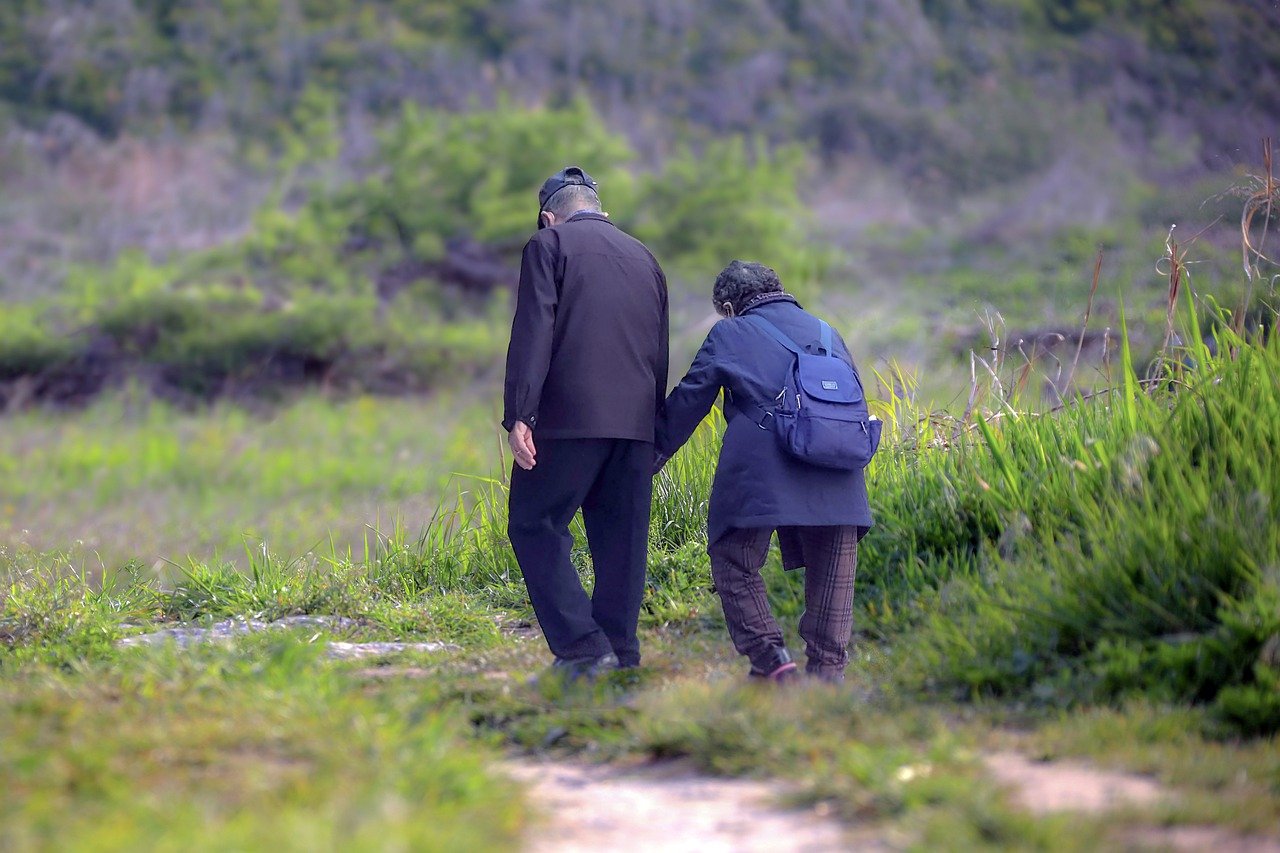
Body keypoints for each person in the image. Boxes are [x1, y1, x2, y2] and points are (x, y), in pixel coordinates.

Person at [655, 260, 872, 683]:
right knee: (835, 561)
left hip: (762, 464)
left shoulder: (730, 332)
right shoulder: (828, 332)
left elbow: (689, 399)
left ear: (730, 306)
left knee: (733, 555)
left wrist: (649, 455)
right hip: (839, 463)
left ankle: (772, 659)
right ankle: (828, 673)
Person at [503, 166, 669, 680]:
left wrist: (520, 414)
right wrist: (654, 426)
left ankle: (581, 648)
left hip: (568, 420)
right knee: (622, 539)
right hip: (636, 424)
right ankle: (621, 655)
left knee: (534, 523)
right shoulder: (645, 257)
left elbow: (535, 330)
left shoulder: (548, 245)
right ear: (601, 210)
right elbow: (658, 349)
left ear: (550, 216)